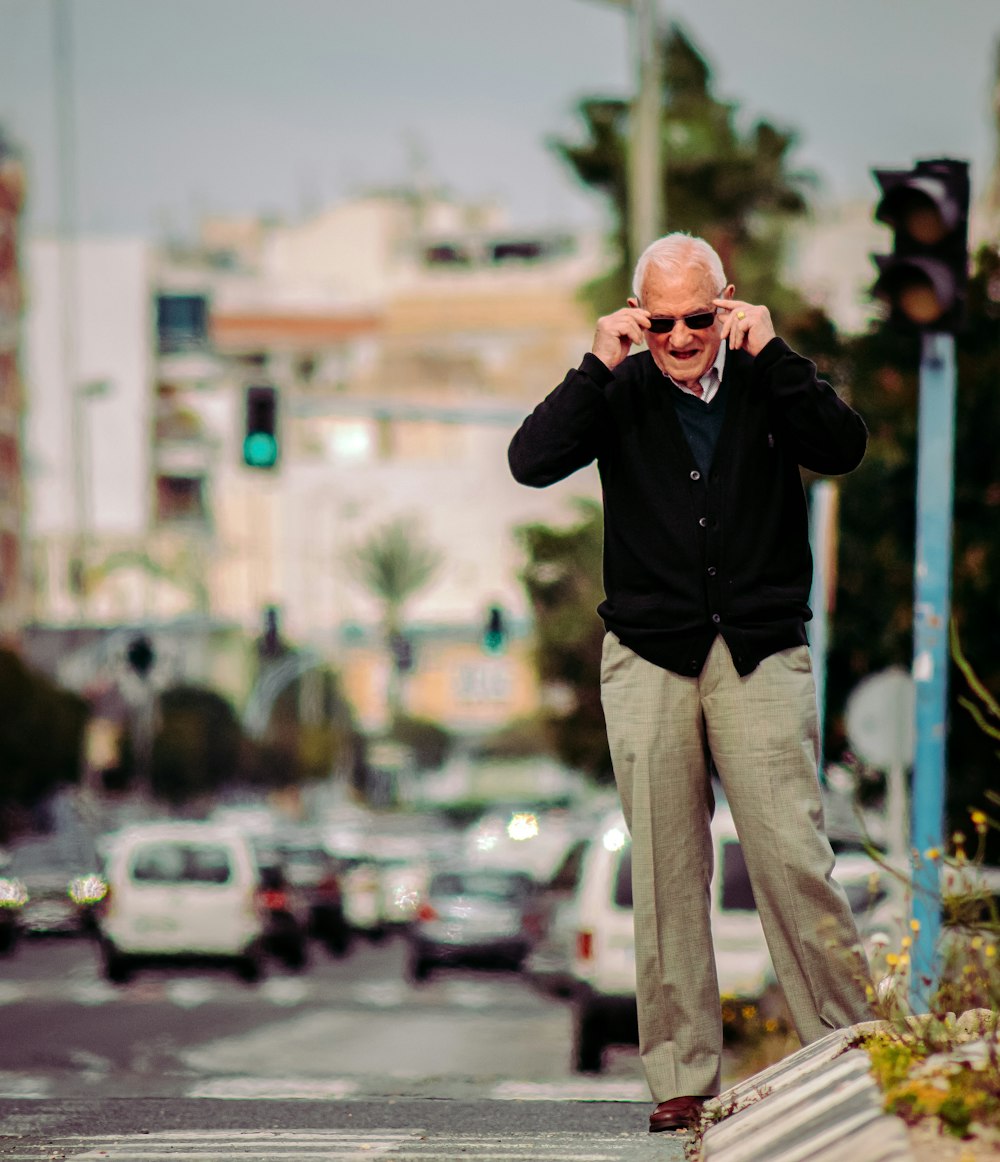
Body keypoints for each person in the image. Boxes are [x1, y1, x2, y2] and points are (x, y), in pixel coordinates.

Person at [508, 233, 874, 1134]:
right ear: (640, 317)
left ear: (729, 306)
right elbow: (531, 459)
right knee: (667, 868)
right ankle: (680, 1074)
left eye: (698, 318)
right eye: (661, 321)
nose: (679, 338)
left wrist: (775, 353)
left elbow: (843, 446)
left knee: (793, 852)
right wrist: (597, 362)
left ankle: (856, 1045)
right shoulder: (619, 386)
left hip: (757, 649)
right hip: (649, 653)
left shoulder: (768, 378)